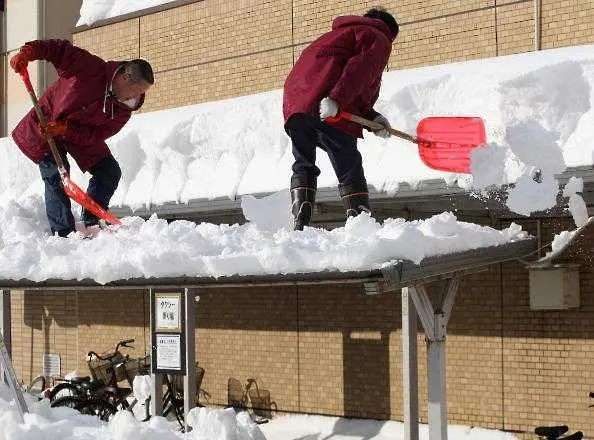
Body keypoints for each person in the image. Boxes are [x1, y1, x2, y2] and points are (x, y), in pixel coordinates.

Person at [10, 39, 154, 237]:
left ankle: (91, 220)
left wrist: (67, 129)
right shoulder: (89, 67)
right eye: (137, 91)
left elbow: (95, 135)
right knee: (58, 176)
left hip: (75, 133)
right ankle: (64, 234)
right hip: (46, 123)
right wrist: (28, 52)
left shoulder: (122, 112)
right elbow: (57, 50)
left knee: (109, 171)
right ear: (125, 77)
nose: (136, 98)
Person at [283, 7, 399, 230]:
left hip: (296, 106)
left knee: (303, 165)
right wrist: (336, 99)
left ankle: (299, 225)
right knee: (349, 166)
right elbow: (360, 71)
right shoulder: (378, 36)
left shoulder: (337, 35)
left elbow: (349, 80)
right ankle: (360, 226)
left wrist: (373, 118)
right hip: (327, 102)